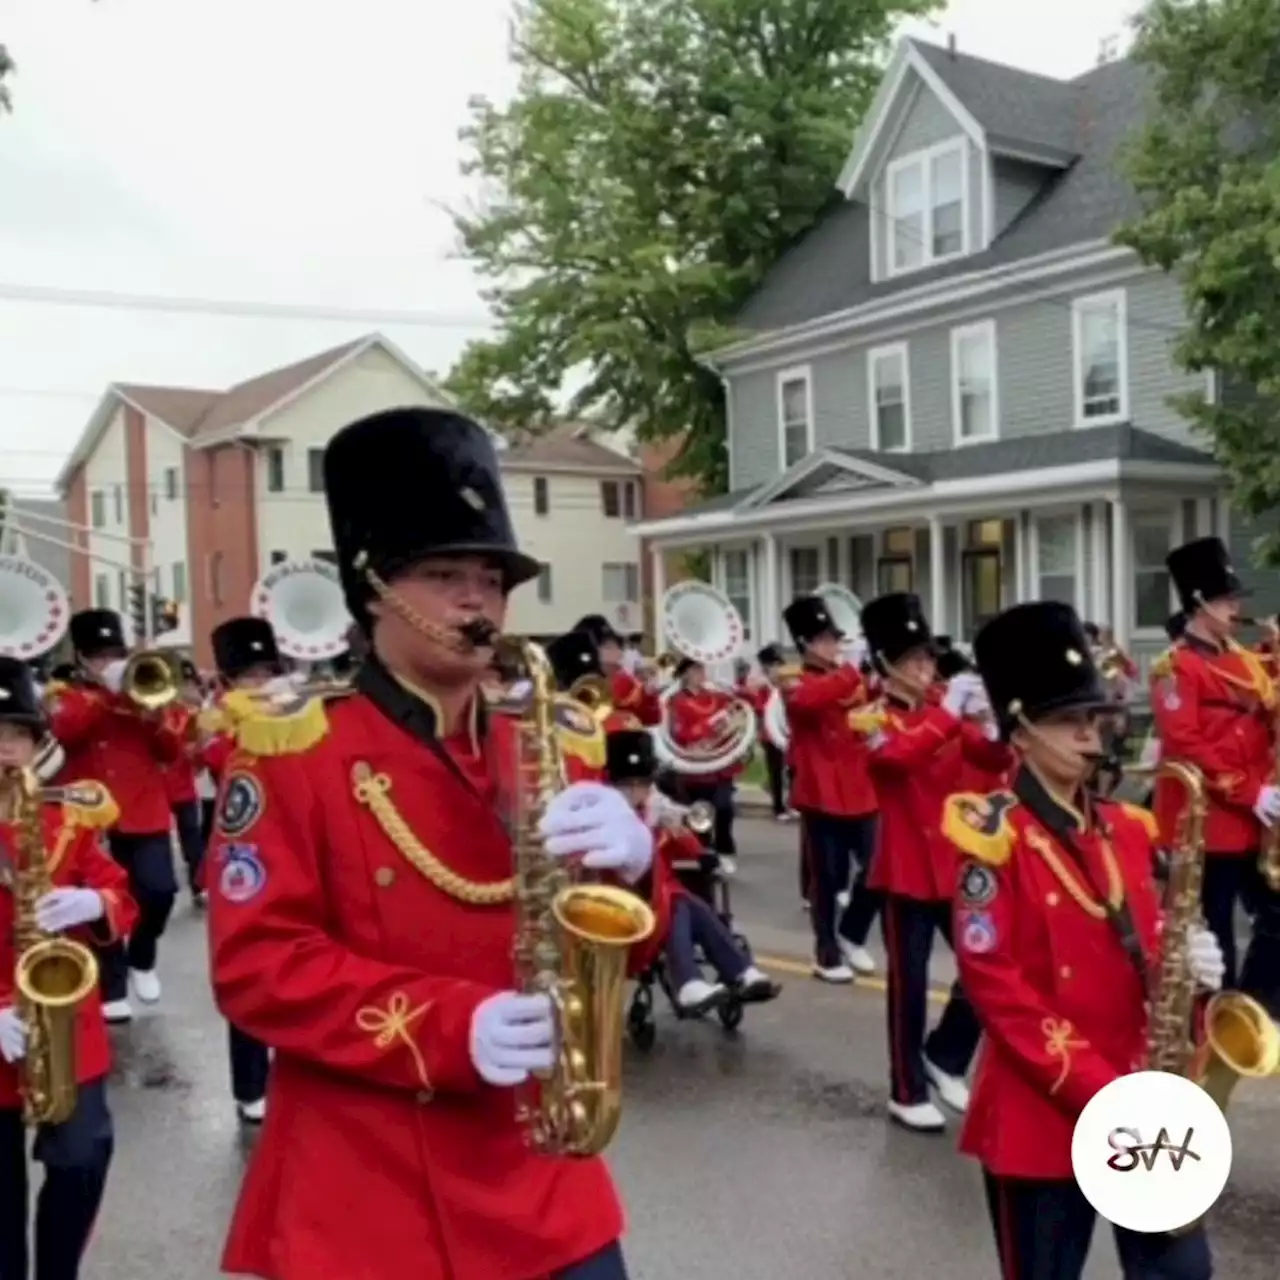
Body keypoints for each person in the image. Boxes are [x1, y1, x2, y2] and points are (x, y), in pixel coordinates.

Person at [206, 406, 656, 1280]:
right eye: (445, 574)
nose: (476, 601)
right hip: (371, 1185)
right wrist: (454, 1025)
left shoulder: (551, 739)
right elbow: (257, 966)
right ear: (373, 587)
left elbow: (614, 945)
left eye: (491, 579)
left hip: (543, 1165)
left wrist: (638, 870)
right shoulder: (292, 748)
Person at [942, 600, 1221, 1280]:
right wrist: (1100, 1089)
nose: (1090, 737)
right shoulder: (991, 835)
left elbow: (1146, 944)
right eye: (1069, 721)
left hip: (1140, 1091)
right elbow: (995, 987)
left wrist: (1189, 968)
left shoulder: (1127, 827)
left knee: (1182, 1272)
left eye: (1092, 718)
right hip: (1046, 1111)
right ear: (1021, 730)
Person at [0, 655, 138, 1280]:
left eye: (18, 735)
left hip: (61, 1025)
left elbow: (121, 895)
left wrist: (96, 901)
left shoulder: (68, 823)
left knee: (84, 1159)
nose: (6, 750)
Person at [858, 593, 1004, 1132]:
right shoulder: (870, 717)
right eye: (916, 660)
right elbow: (897, 757)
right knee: (910, 983)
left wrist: (991, 726)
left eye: (929, 658)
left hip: (954, 861)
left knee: (984, 967)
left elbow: (989, 758)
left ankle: (945, 1056)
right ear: (886, 665)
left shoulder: (942, 706)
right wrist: (947, 714)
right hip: (905, 866)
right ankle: (905, 1088)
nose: (928, 669)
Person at [1153, 535, 1280, 1014]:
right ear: (1200, 603)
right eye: (1227, 599)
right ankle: (1210, 1028)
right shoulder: (1175, 667)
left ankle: (1250, 1008)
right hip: (1207, 823)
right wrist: (1252, 792)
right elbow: (1187, 743)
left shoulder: (1243, 658)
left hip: (1253, 819)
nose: (1235, 607)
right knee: (1215, 937)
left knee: (1275, 917)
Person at [46, 611, 189, 1022]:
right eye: (100, 655)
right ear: (82, 657)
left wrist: (151, 717)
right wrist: (108, 694)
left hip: (145, 811)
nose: (110, 662)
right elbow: (66, 730)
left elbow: (169, 752)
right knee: (99, 903)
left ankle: (142, 957)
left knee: (159, 892)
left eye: (116, 653)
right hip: (90, 817)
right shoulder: (67, 694)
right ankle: (113, 985)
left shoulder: (144, 695)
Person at [604, 725, 778, 1012]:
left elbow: (676, 830)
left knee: (690, 904)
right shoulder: (607, 814)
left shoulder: (652, 805)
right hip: (627, 903)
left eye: (643, 783)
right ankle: (697, 979)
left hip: (660, 894)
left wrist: (700, 854)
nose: (638, 791)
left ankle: (737, 973)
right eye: (630, 785)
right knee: (679, 904)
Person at [203, 616, 291, 1126]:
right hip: (242, 858)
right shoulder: (219, 719)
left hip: (296, 846)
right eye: (249, 675)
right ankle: (250, 1083)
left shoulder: (300, 712)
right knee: (251, 964)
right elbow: (211, 758)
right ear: (230, 681)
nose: (259, 683)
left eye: (266, 671)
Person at [781, 595, 879, 982]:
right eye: (824, 639)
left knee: (877, 867)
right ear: (805, 643)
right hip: (821, 790)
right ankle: (826, 952)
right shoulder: (793, 678)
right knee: (827, 878)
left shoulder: (847, 676)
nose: (833, 646)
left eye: (834, 638)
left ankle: (852, 932)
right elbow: (807, 701)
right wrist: (851, 673)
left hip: (859, 786)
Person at [663, 657, 745, 874]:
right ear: (685, 673)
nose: (702, 672)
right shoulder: (676, 701)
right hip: (695, 768)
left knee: (725, 808)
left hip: (720, 765)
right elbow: (678, 732)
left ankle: (725, 850)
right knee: (700, 815)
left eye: (702, 667)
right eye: (696, 668)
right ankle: (705, 856)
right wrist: (707, 729)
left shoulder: (716, 696)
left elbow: (738, 710)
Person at [166, 659, 206, 907]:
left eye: (188, 682)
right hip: (158, 787)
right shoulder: (158, 710)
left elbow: (197, 758)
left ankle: (198, 886)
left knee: (192, 838)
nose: (186, 688)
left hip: (183, 785)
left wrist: (200, 743)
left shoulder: (192, 715)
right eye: (182, 683)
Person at [750, 645, 793, 822]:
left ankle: (792, 802)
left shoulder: (785, 682)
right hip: (770, 734)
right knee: (775, 771)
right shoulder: (764, 686)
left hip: (788, 730)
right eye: (774, 665)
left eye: (779, 664)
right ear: (768, 667)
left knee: (794, 770)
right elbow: (760, 708)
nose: (778, 668)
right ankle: (778, 807)